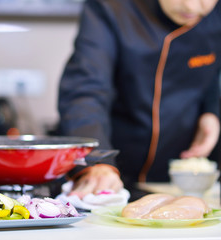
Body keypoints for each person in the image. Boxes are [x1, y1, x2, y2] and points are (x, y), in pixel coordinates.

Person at [58, 0, 221, 199]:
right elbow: (85, 89)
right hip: (115, 175)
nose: (192, 7)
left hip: (183, 183)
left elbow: (213, 72)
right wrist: (97, 160)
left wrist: (212, 111)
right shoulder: (110, 6)